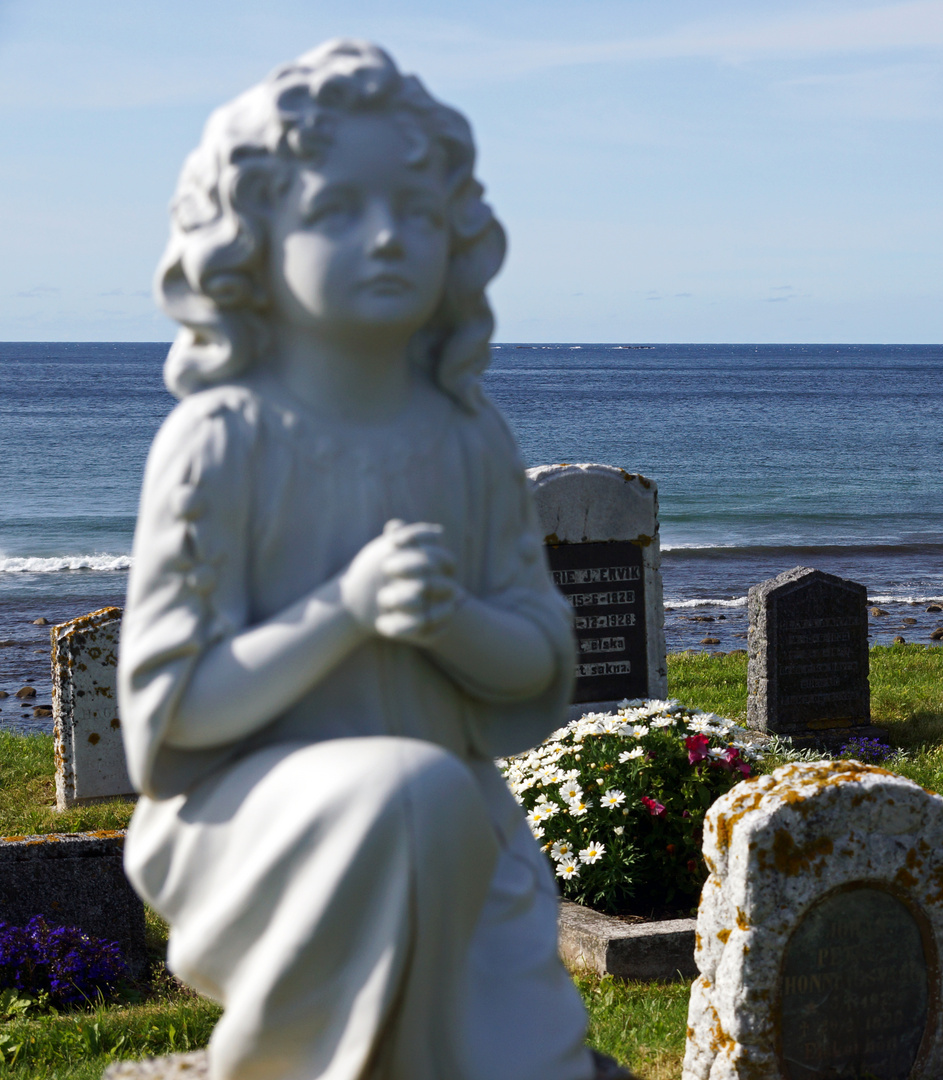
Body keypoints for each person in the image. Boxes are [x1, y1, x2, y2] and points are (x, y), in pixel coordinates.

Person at [118, 39, 619, 1080]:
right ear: (251, 236)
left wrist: (449, 622)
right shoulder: (222, 442)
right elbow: (171, 719)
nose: (389, 238)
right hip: (248, 832)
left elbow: (533, 666)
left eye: (419, 213)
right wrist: (344, 610)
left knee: (439, 821)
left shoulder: (466, 437)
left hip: (458, 833)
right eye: (336, 209)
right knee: (409, 795)